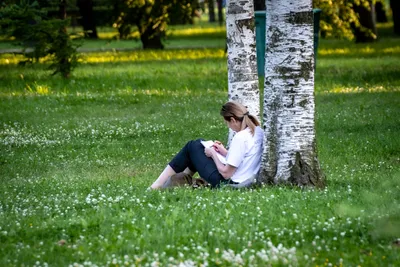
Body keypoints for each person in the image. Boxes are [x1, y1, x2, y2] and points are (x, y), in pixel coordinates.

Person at [150, 101, 263, 189]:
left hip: (229, 183)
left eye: (227, 123)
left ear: (233, 120)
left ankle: (157, 186)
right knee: (199, 146)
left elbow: (226, 173)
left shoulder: (240, 137)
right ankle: (179, 182)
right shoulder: (258, 132)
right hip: (246, 179)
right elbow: (244, 159)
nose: (229, 127)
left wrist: (213, 154)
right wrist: (223, 151)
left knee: (192, 146)